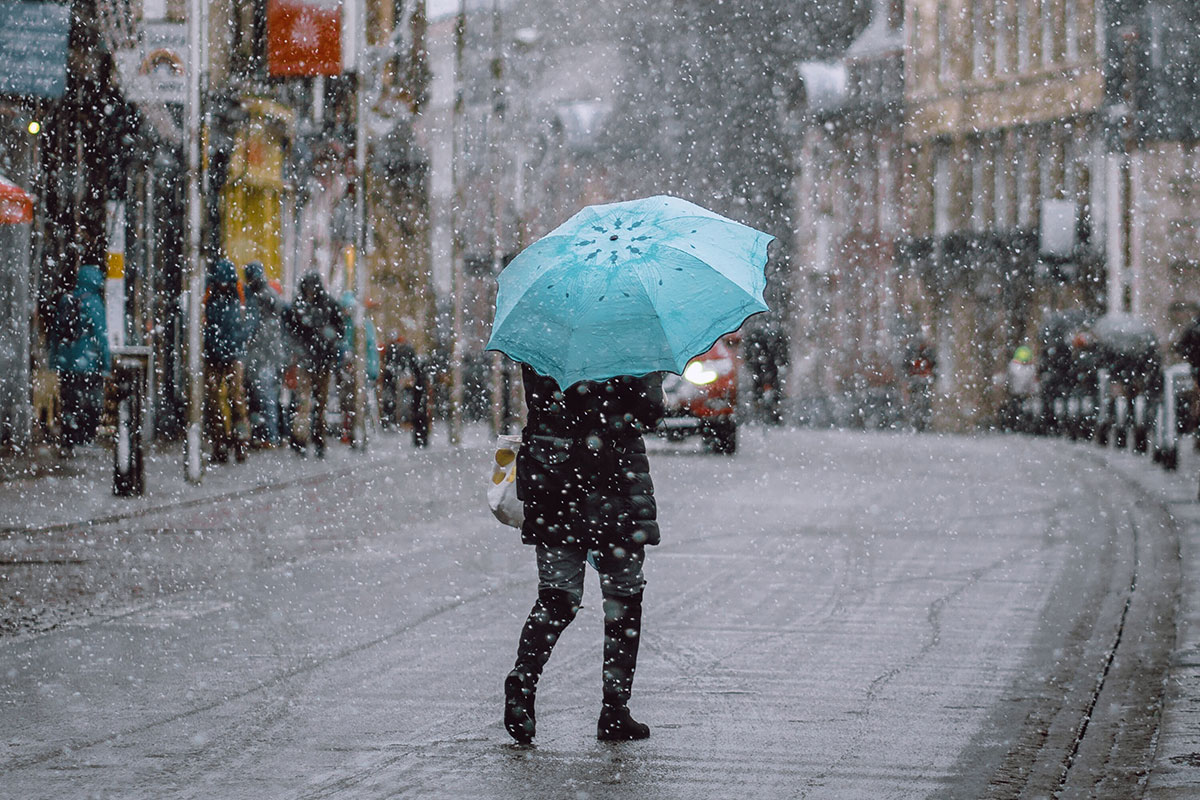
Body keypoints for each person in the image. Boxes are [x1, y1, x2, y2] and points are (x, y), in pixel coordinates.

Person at [505, 364, 664, 744]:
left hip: (553, 475)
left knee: (557, 595)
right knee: (623, 597)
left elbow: (539, 402)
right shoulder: (632, 335)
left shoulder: (544, 328)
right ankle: (614, 710)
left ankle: (523, 680)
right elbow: (651, 411)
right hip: (616, 480)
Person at [51, 264, 111, 457]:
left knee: (69, 402)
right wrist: (106, 363)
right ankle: (84, 439)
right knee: (91, 402)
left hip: (67, 362)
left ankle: (68, 440)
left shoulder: (67, 300)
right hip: (88, 364)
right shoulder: (93, 302)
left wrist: (56, 360)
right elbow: (101, 336)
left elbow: (56, 334)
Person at [283, 273, 344, 458]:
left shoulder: (328, 304)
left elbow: (340, 330)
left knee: (319, 403)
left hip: (322, 361)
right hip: (307, 361)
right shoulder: (301, 306)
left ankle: (317, 439)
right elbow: (291, 332)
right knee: (304, 402)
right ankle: (301, 439)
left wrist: (330, 336)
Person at [203, 258, 250, 463]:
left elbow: (249, 320)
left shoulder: (240, 295)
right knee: (213, 400)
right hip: (214, 354)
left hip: (233, 354)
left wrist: (238, 340)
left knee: (236, 398)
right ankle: (220, 442)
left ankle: (240, 443)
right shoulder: (209, 295)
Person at [243, 262, 286, 447]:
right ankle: (269, 435)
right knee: (267, 397)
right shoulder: (269, 296)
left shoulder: (259, 297)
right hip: (267, 354)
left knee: (264, 396)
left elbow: (256, 327)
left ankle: (268, 435)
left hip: (262, 355)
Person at [336, 291, 378, 445]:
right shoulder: (347, 324)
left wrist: (370, 370)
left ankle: (362, 433)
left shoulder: (362, 325)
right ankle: (353, 432)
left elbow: (369, 348)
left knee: (361, 402)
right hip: (350, 369)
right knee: (348, 401)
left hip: (362, 370)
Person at [1003, 345, 1037, 432]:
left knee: (1016, 408)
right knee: (1021, 409)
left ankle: (1015, 425)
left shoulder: (1013, 366)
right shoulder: (1030, 368)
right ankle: (1022, 426)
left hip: (1016, 392)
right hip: (1021, 393)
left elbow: (1008, 379)